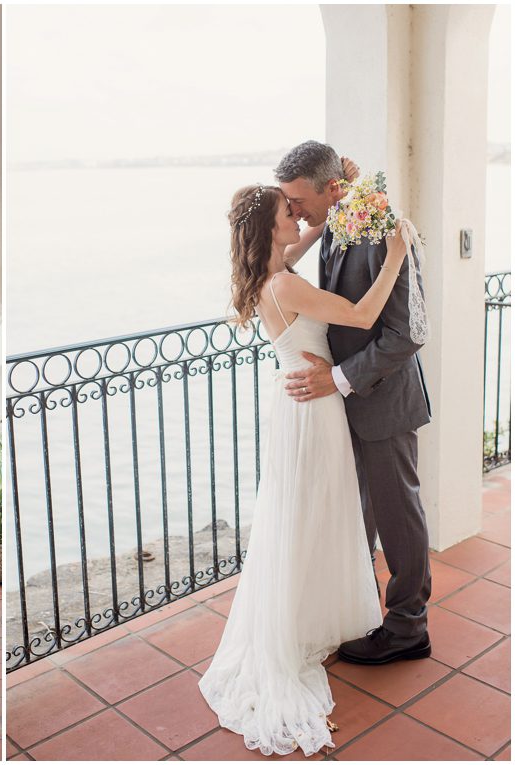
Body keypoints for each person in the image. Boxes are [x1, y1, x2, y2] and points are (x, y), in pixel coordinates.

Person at [198, 164, 414, 755]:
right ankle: (301, 625)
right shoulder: (286, 286)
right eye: (286, 212)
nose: (297, 217)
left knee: (301, 515)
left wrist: (341, 206)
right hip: (313, 411)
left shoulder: (269, 274)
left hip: (296, 403)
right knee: (313, 513)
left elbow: (302, 237)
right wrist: (396, 252)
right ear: (269, 230)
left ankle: (304, 615)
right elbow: (365, 316)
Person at [276, 140, 432, 664]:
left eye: (299, 201)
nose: (294, 211)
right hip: (342, 404)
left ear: (331, 189)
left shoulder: (383, 229)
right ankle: (360, 610)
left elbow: (408, 332)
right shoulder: (336, 218)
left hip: (384, 402)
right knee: (359, 514)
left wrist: (339, 378)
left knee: (398, 517)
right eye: (289, 204)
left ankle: (409, 628)